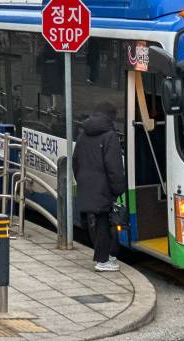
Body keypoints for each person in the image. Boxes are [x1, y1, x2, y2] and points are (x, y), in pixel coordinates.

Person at [73, 102, 125, 272]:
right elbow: (114, 167)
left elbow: (75, 161)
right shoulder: (110, 137)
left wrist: (81, 179)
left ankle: (105, 256)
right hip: (103, 186)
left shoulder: (83, 135)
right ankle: (103, 261)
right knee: (104, 221)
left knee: (96, 221)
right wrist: (118, 189)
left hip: (86, 183)